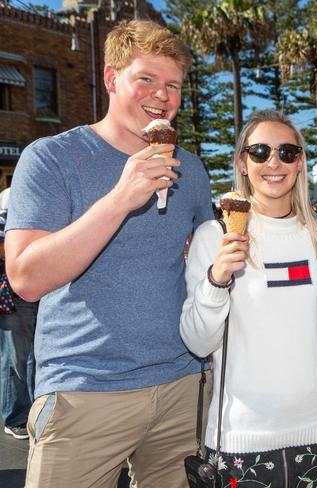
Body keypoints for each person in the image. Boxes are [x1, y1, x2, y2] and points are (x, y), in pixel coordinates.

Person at [4, 20, 214, 487]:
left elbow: (205, 265)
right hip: (84, 391)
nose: (161, 95)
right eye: (146, 79)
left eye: (173, 85)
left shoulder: (192, 169)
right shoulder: (51, 157)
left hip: (182, 385)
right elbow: (26, 277)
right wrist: (121, 198)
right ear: (111, 78)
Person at [180, 110, 317, 487]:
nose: (274, 162)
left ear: (300, 163)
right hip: (241, 441)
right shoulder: (214, 235)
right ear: (241, 161)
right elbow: (197, 342)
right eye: (259, 151)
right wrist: (216, 279)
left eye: (287, 152)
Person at [0, 188, 38, 441]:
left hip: (41, 287)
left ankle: (32, 413)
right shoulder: (11, 196)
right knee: (16, 357)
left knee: (33, 356)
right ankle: (15, 416)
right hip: (14, 290)